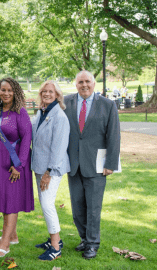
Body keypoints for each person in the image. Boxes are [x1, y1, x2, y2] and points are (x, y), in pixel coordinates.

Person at [63, 70, 120, 259]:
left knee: (93, 208)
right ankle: (84, 239)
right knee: (77, 208)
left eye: (87, 81)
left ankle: (93, 243)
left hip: (97, 165)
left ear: (94, 83)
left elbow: (113, 136)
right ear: (76, 84)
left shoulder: (107, 105)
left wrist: (111, 163)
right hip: (73, 164)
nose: (84, 85)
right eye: (80, 82)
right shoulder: (66, 102)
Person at [0, 77, 33, 258]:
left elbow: (27, 139)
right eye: (3, 90)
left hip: (13, 163)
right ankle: (12, 235)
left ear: (16, 92)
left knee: (10, 201)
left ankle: (5, 244)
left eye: (10, 90)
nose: (6, 93)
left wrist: (19, 166)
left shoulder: (20, 113)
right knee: (5, 200)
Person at [31, 81, 70, 261]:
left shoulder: (59, 117)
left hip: (51, 169)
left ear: (57, 95)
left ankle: (55, 247)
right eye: (44, 91)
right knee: (45, 202)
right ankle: (55, 240)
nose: (47, 94)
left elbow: (59, 148)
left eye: (50, 92)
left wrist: (48, 173)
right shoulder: (41, 112)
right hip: (39, 166)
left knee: (47, 204)